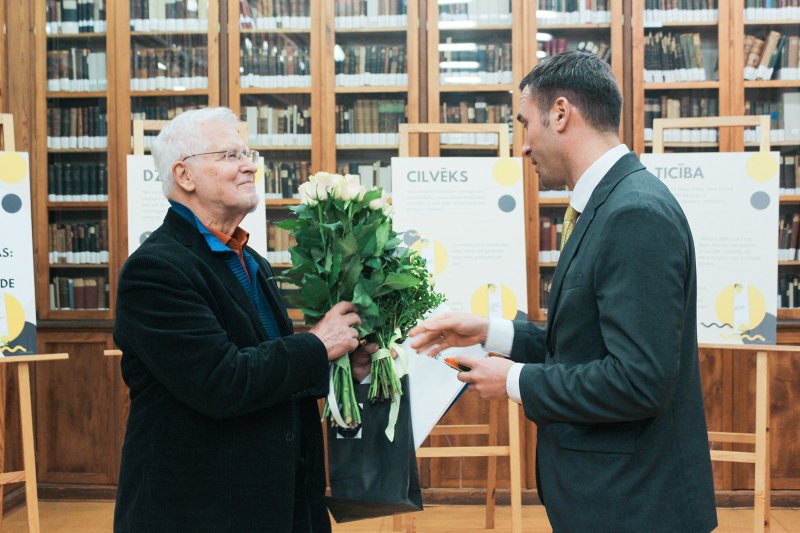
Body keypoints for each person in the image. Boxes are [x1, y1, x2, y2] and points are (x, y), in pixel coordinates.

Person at [409, 52, 718, 533]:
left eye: (524, 123)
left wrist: (513, 381)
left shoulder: (634, 214)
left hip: (634, 506)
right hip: (610, 498)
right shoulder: (611, 202)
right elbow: (583, 343)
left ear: (559, 113)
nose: (523, 147)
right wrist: (489, 331)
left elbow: (638, 381)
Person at [113, 107, 373, 533]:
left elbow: (270, 366)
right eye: (230, 155)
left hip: (274, 499)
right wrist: (317, 345)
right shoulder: (156, 270)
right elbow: (221, 381)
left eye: (248, 153)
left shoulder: (250, 259)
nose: (250, 165)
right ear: (185, 175)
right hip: (202, 509)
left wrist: (338, 365)